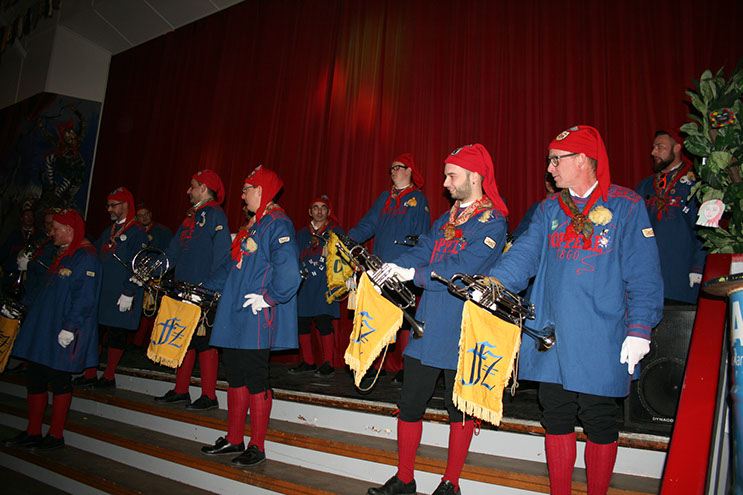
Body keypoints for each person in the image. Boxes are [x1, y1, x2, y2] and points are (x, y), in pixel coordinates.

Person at [488, 126, 663, 495]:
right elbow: (524, 254)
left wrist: (640, 329)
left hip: (601, 333)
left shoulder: (626, 206)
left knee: (599, 418)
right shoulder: (549, 209)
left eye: (556, 160)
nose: (549, 168)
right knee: (555, 415)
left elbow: (644, 273)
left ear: (583, 159)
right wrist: (494, 283)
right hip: (552, 333)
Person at [366, 143, 509, 495]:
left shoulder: (493, 222)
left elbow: (462, 268)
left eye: (452, 176)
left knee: (458, 407)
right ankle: (404, 478)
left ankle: (451, 483)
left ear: (475, 177)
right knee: (410, 403)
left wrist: (413, 275)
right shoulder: (446, 219)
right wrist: (395, 265)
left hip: (464, 327)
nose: (445, 183)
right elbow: (424, 248)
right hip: (428, 322)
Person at [201, 165, 301, 467]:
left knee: (256, 378)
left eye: (247, 189)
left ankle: (257, 445)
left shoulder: (278, 224)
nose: (242, 196)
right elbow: (233, 266)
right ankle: (234, 438)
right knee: (235, 376)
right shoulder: (255, 225)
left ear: (261, 190)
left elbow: (289, 274)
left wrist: (269, 298)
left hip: (256, 314)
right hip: (235, 313)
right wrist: (201, 289)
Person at [2, 209, 101, 450]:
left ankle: (55, 435)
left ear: (69, 230)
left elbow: (84, 298)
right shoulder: (62, 252)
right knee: (35, 377)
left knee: (59, 379)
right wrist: (21, 308)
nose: (51, 232)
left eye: (56, 228)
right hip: (45, 326)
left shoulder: (86, 257)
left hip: (63, 329)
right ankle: (33, 431)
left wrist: (70, 327)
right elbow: (46, 289)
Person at [347, 153, 431, 383]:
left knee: (404, 317)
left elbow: (423, 236)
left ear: (409, 170)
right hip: (379, 266)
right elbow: (368, 224)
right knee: (376, 316)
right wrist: (348, 239)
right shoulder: (385, 198)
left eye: (397, 167)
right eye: (391, 168)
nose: (393, 171)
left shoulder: (418, 199)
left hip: (403, 267)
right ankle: (375, 364)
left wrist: (413, 265)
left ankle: (406, 366)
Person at [154, 170, 231, 410]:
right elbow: (173, 251)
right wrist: (152, 271)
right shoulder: (191, 217)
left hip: (203, 293)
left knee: (205, 342)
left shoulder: (216, 215)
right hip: (182, 291)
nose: (188, 191)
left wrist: (208, 289)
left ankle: (209, 395)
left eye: (192, 186)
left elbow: (224, 259)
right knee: (183, 338)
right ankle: (181, 390)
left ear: (204, 188)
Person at [635, 129, 706, 304]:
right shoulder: (645, 186)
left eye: (660, 147)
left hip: (681, 275)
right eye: (653, 147)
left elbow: (705, 232)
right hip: (648, 277)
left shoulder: (695, 185)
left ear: (677, 148)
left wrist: (698, 266)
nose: (653, 152)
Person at [90, 187, 148, 388]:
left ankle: (109, 376)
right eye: (108, 205)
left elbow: (140, 265)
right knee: (95, 332)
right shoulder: (109, 231)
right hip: (103, 292)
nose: (109, 209)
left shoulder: (137, 233)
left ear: (125, 205)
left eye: (113, 205)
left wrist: (129, 291)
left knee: (116, 333)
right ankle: (90, 373)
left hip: (121, 293)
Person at [291, 195, 345, 376]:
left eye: (323, 207)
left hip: (325, 284)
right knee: (302, 322)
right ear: (310, 211)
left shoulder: (336, 232)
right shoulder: (301, 234)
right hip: (305, 284)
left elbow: (345, 259)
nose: (319, 211)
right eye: (315, 207)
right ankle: (308, 361)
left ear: (328, 212)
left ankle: (328, 363)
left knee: (324, 321)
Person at [511, 172, 560, 240]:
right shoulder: (537, 207)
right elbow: (520, 232)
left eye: (552, 177)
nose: (549, 182)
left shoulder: (565, 207)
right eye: (547, 178)